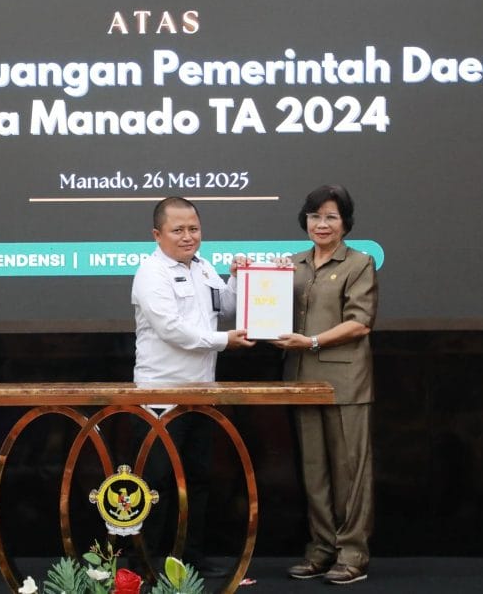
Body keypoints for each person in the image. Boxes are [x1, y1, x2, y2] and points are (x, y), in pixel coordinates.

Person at [130, 197, 256, 579]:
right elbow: (171, 329)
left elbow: (227, 308)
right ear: (157, 234)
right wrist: (224, 342)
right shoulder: (151, 273)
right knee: (157, 483)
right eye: (178, 230)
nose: (188, 236)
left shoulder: (203, 267)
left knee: (197, 478)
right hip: (161, 395)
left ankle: (190, 559)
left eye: (194, 229)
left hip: (202, 393)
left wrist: (239, 277)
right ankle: (147, 563)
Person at [271, 185, 378, 585]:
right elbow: (267, 307)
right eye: (315, 216)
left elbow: (360, 322)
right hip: (300, 379)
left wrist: (312, 341)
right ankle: (320, 549)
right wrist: (245, 277)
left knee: (349, 471)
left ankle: (352, 553)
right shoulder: (291, 264)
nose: (322, 224)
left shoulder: (359, 263)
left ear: (345, 223)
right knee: (313, 471)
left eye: (331, 217)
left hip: (345, 382)